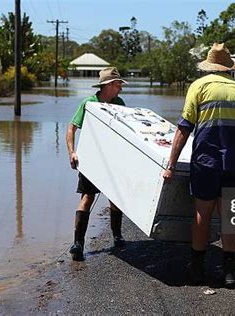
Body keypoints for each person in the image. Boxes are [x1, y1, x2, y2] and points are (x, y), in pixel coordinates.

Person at [163, 43, 235, 288]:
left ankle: (197, 269)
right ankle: (229, 273)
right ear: (228, 68)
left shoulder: (199, 86)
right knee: (229, 215)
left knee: (202, 212)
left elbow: (184, 128)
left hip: (207, 160)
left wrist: (171, 164)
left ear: (209, 66)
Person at [66, 67, 128, 261]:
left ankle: (117, 236)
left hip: (113, 159)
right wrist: (72, 153)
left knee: (115, 198)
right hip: (92, 159)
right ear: (108, 85)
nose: (121, 88)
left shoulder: (119, 103)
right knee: (87, 197)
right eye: (118, 85)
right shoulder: (88, 103)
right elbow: (71, 128)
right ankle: (78, 244)